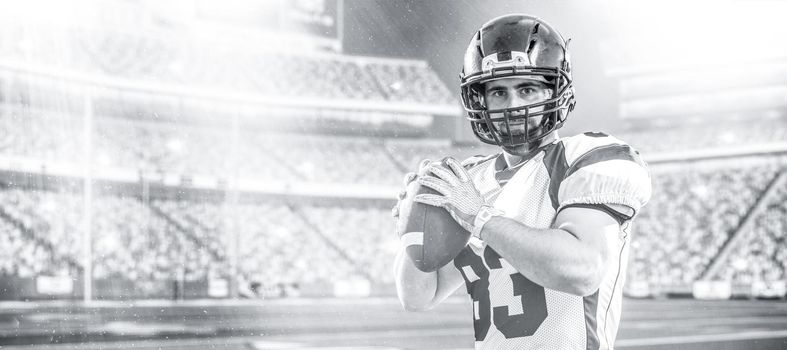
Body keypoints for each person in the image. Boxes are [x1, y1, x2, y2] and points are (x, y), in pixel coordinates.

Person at [392, 14, 652, 350]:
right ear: (479, 101)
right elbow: (418, 297)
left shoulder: (586, 158)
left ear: (556, 90)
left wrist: (480, 217)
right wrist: (412, 231)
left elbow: (582, 271)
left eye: (526, 89)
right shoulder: (470, 180)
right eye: (498, 92)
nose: (513, 105)